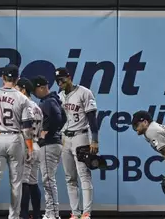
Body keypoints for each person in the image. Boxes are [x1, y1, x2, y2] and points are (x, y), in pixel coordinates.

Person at [0, 64, 35, 219]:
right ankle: (14, 215)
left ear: (3, 78)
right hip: (15, 138)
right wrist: (29, 148)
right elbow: (27, 127)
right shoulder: (22, 98)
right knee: (16, 182)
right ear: (17, 79)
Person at [56, 67, 98, 219]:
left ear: (69, 77)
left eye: (62, 79)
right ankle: (75, 213)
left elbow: (92, 118)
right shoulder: (60, 96)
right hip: (65, 138)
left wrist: (95, 139)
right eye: (58, 81)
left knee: (84, 175)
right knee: (70, 178)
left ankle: (86, 213)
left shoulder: (84, 92)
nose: (60, 83)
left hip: (81, 136)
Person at [30, 75, 66, 219]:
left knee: (48, 180)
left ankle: (53, 213)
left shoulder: (49, 101)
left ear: (42, 87)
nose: (34, 93)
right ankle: (52, 212)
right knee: (48, 179)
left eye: (36, 90)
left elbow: (58, 118)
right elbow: (63, 118)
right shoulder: (53, 100)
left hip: (49, 144)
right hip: (53, 143)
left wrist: (49, 131)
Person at [16, 78, 42, 219]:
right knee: (33, 182)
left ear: (23, 90)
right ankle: (37, 214)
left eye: (17, 88)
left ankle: (24, 215)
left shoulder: (23, 106)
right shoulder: (37, 107)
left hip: (26, 145)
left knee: (23, 182)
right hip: (36, 144)